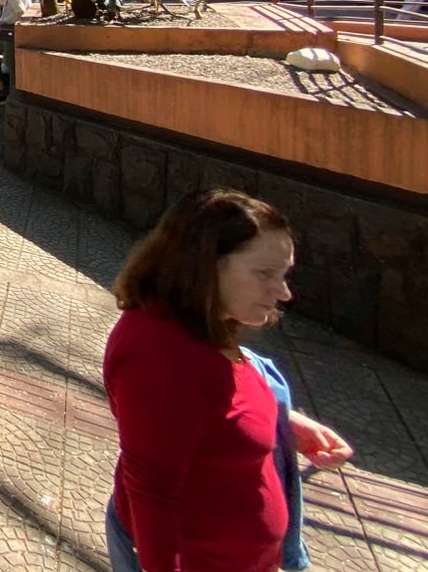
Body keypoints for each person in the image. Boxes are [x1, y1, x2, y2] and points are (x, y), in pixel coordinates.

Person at [104, 190, 354, 572]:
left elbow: (214, 407)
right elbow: (152, 495)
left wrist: (280, 421)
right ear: (204, 265)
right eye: (265, 273)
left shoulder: (205, 321)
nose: (284, 292)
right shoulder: (158, 356)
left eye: (284, 274)